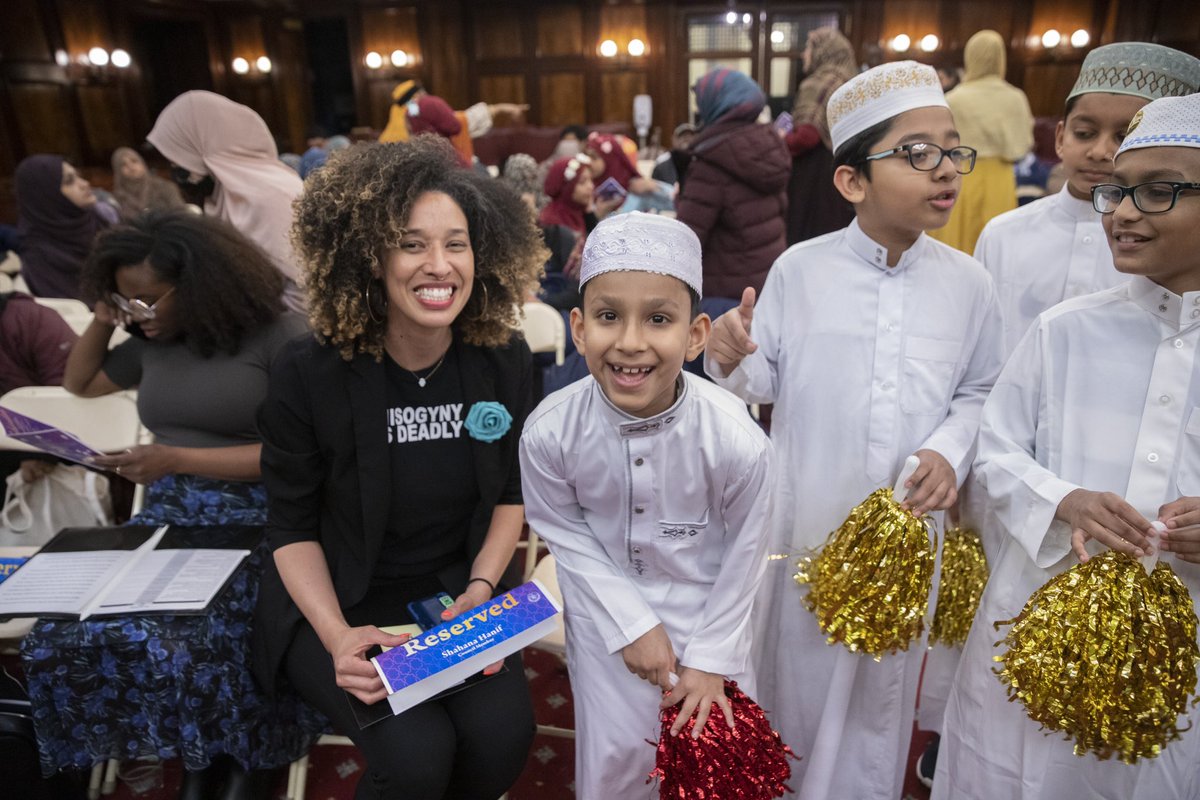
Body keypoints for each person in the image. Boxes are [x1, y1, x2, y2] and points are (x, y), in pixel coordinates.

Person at [704, 60, 1004, 800]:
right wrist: (729, 356)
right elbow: (759, 383)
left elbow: (983, 389)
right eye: (917, 153)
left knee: (881, 705)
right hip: (806, 524)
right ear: (851, 182)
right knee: (795, 688)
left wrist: (949, 449)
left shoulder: (970, 284)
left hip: (910, 535)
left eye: (951, 150)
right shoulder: (801, 271)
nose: (945, 171)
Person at [252, 136, 545, 800]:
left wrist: (480, 589)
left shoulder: (503, 357)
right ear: (369, 256)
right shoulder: (308, 371)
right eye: (412, 244)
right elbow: (291, 526)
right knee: (415, 755)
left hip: (453, 595)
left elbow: (510, 489)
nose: (439, 266)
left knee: (503, 737)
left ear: (484, 253)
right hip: (340, 599)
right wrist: (337, 636)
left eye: (457, 243)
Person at [933, 92, 1200, 800]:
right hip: (1038, 625)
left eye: (1158, 191)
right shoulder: (1066, 331)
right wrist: (1064, 500)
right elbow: (992, 451)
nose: (1123, 211)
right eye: (1118, 192)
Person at [23, 211, 317, 799]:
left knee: (198, 633)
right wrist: (107, 319)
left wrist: (176, 459)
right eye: (126, 299)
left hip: (265, 518)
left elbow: (303, 455)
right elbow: (80, 383)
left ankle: (238, 758)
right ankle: (190, 747)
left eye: (147, 300)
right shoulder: (153, 341)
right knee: (66, 632)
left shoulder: (282, 336)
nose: (139, 313)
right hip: (169, 515)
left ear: (202, 284)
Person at [520, 211, 774, 799]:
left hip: (715, 617)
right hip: (606, 618)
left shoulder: (735, 438)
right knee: (616, 766)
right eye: (609, 317)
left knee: (715, 771)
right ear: (579, 329)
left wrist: (710, 660)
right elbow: (564, 532)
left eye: (658, 319)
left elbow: (747, 553)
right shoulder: (550, 433)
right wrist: (632, 626)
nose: (630, 342)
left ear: (695, 334)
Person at [975, 42, 1200, 357]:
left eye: (1124, 137)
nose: (1099, 152)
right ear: (1059, 138)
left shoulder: (1164, 252)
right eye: (1084, 133)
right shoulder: (1003, 234)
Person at [146, 90, 307, 314]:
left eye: (178, 153)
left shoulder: (269, 194)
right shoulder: (222, 194)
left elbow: (304, 291)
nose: (174, 166)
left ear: (202, 144)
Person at [675, 68, 790, 301]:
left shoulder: (712, 159)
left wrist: (680, 198)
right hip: (766, 286)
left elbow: (687, 238)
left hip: (724, 293)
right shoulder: (767, 147)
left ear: (715, 104)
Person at [927, 30, 1033, 254]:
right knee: (997, 247)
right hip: (1001, 179)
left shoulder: (954, 98)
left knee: (957, 244)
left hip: (963, 173)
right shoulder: (1016, 98)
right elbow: (1023, 144)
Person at [784, 26, 857, 244]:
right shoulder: (851, 83)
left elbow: (806, 137)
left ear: (823, 51)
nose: (804, 54)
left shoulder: (819, 83)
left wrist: (778, 141)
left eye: (808, 47)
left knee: (808, 239)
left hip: (814, 175)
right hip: (842, 170)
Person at [13, 155, 107, 300]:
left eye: (78, 176)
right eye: (69, 181)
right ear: (46, 195)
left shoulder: (97, 217)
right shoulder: (39, 253)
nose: (85, 183)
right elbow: (75, 308)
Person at [110, 147, 184, 221]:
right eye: (124, 165)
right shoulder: (118, 198)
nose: (131, 167)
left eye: (134, 161)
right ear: (118, 172)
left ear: (142, 163)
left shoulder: (165, 187)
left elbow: (181, 215)